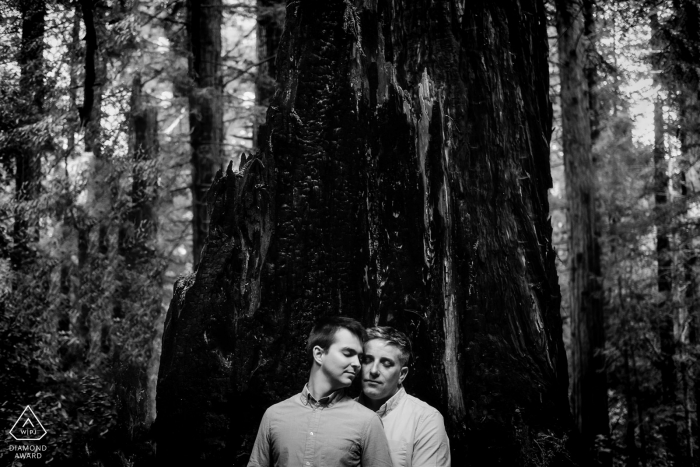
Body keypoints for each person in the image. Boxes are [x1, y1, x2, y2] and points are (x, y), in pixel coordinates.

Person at [247, 316, 393, 467]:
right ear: (319, 354)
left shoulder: (368, 422)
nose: (357, 364)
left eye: (359, 357)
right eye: (348, 353)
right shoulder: (274, 416)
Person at [359, 326, 451, 467]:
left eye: (386, 363)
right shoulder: (341, 412)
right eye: (367, 360)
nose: (373, 371)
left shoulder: (425, 420)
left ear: (402, 374)